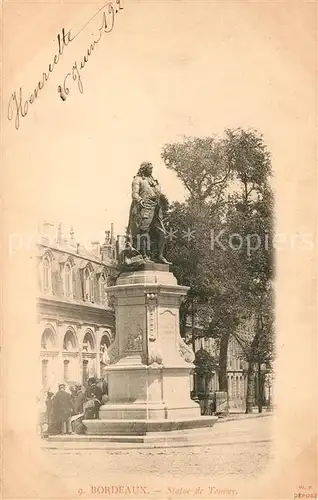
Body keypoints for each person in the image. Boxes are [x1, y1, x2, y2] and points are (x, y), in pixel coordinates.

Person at [127, 162, 170, 263]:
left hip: (156, 208)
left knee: (163, 233)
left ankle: (160, 256)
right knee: (144, 232)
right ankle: (144, 255)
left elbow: (159, 194)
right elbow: (134, 194)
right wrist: (140, 200)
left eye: (152, 168)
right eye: (149, 168)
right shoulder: (137, 179)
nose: (151, 170)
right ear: (144, 169)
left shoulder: (154, 181)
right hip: (145, 207)